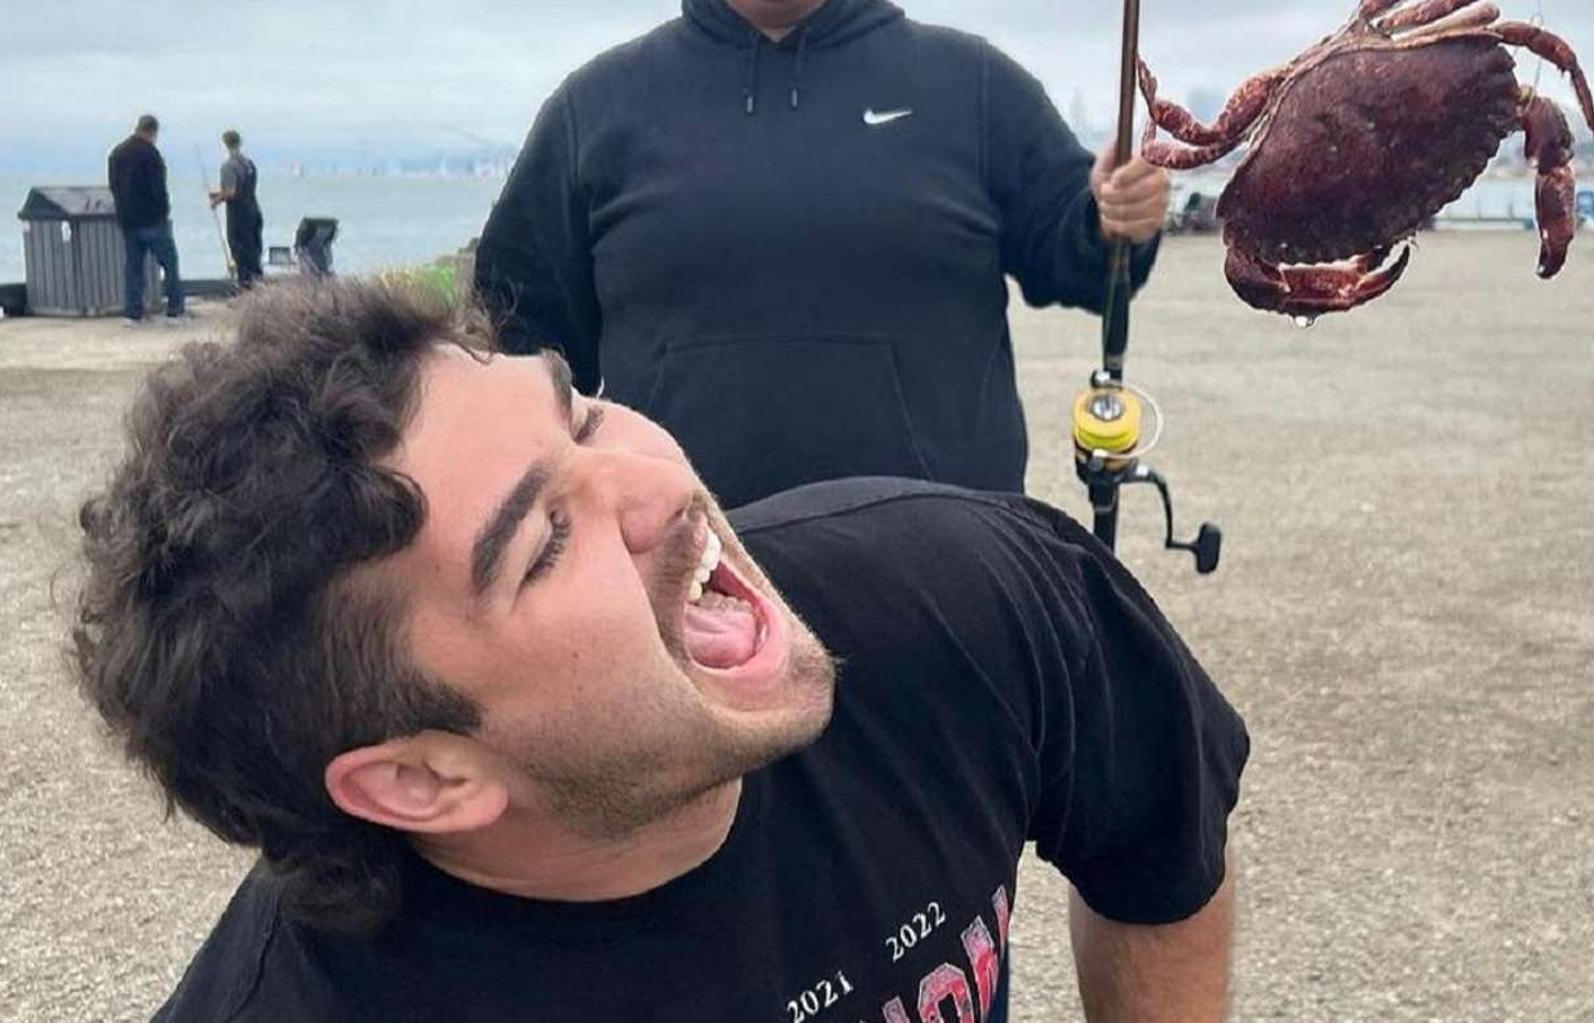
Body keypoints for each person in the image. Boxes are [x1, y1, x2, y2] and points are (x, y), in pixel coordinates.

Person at [72, 278, 1248, 1021]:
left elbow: (1158, 848)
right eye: (542, 543)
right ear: (424, 776)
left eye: (580, 409)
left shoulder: (966, 596)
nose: (661, 484)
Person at [475, 0, 1173, 510]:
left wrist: (1117, 216)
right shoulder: (594, 109)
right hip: (681, 569)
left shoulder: (978, 86)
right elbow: (516, 344)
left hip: (946, 565)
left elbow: (1081, 254)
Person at [106, 114, 187, 325]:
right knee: (169, 263)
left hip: (127, 219)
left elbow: (113, 186)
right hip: (152, 219)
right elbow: (158, 189)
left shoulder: (117, 153)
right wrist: (163, 210)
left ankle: (133, 314)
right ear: (153, 132)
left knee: (133, 267)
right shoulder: (151, 155)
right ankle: (175, 311)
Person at [208, 129, 265, 288]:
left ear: (225, 144)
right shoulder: (249, 164)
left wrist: (216, 201)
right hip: (253, 209)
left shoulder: (228, 166)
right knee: (253, 249)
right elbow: (243, 188)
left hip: (238, 214)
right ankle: (257, 284)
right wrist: (220, 194)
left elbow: (232, 192)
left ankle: (245, 285)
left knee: (239, 249)